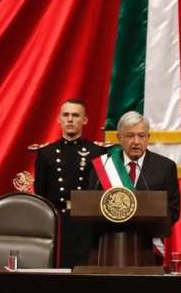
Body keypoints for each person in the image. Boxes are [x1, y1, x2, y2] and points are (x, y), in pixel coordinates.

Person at [33, 99, 105, 267]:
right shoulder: (46, 153)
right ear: (59, 119)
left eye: (75, 115)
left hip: (85, 223)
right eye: (66, 115)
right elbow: (40, 193)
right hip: (56, 221)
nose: (70, 119)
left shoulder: (97, 152)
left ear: (85, 120)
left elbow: (100, 192)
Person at [89, 111, 180, 224]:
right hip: (110, 237)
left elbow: (173, 211)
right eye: (130, 136)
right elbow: (91, 206)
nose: (136, 142)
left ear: (148, 137)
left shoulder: (165, 167)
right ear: (119, 137)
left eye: (141, 136)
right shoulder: (104, 165)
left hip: (148, 238)